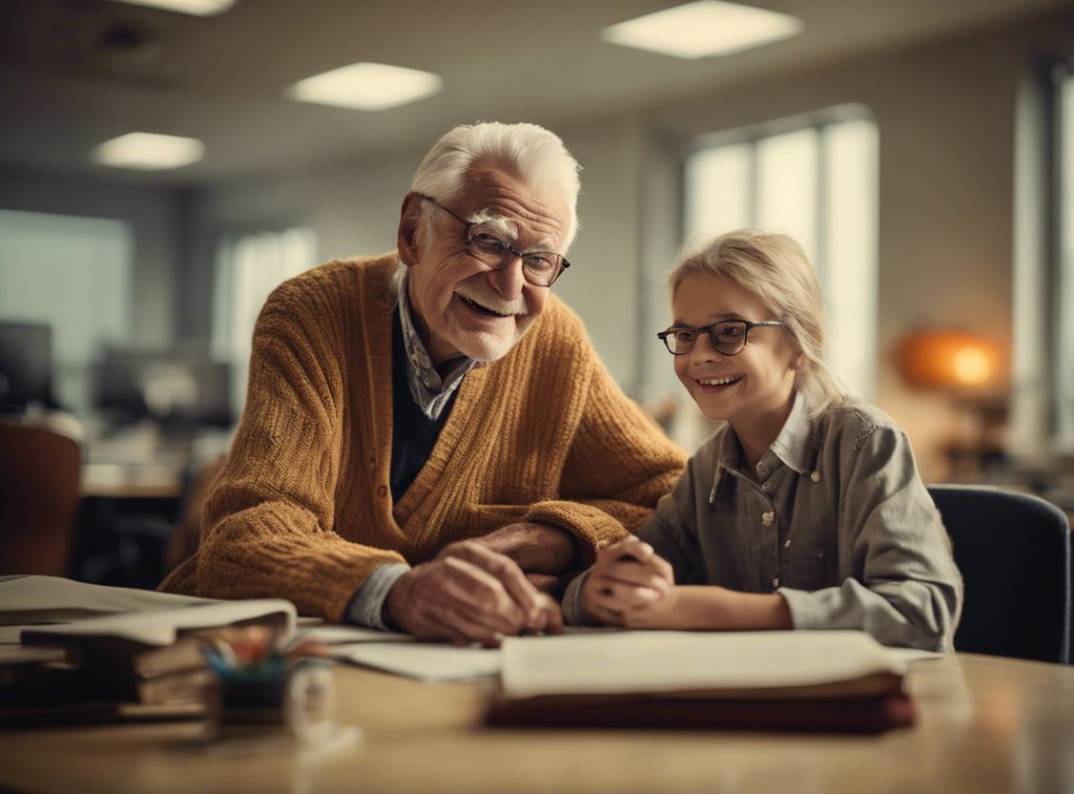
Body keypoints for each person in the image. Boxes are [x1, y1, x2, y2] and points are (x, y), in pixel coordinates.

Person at [160, 122, 686, 644]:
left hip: (459, 663)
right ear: (413, 232)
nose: (509, 284)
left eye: (539, 260)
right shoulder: (314, 311)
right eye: (488, 240)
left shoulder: (554, 341)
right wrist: (397, 592)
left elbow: (674, 499)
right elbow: (244, 536)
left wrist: (559, 538)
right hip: (267, 653)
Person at [564, 230, 963, 651]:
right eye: (685, 335)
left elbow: (923, 613)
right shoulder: (704, 471)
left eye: (730, 331)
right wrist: (600, 592)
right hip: (752, 705)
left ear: (799, 344)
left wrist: (723, 612)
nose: (699, 355)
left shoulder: (865, 442)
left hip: (864, 707)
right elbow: (626, 583)